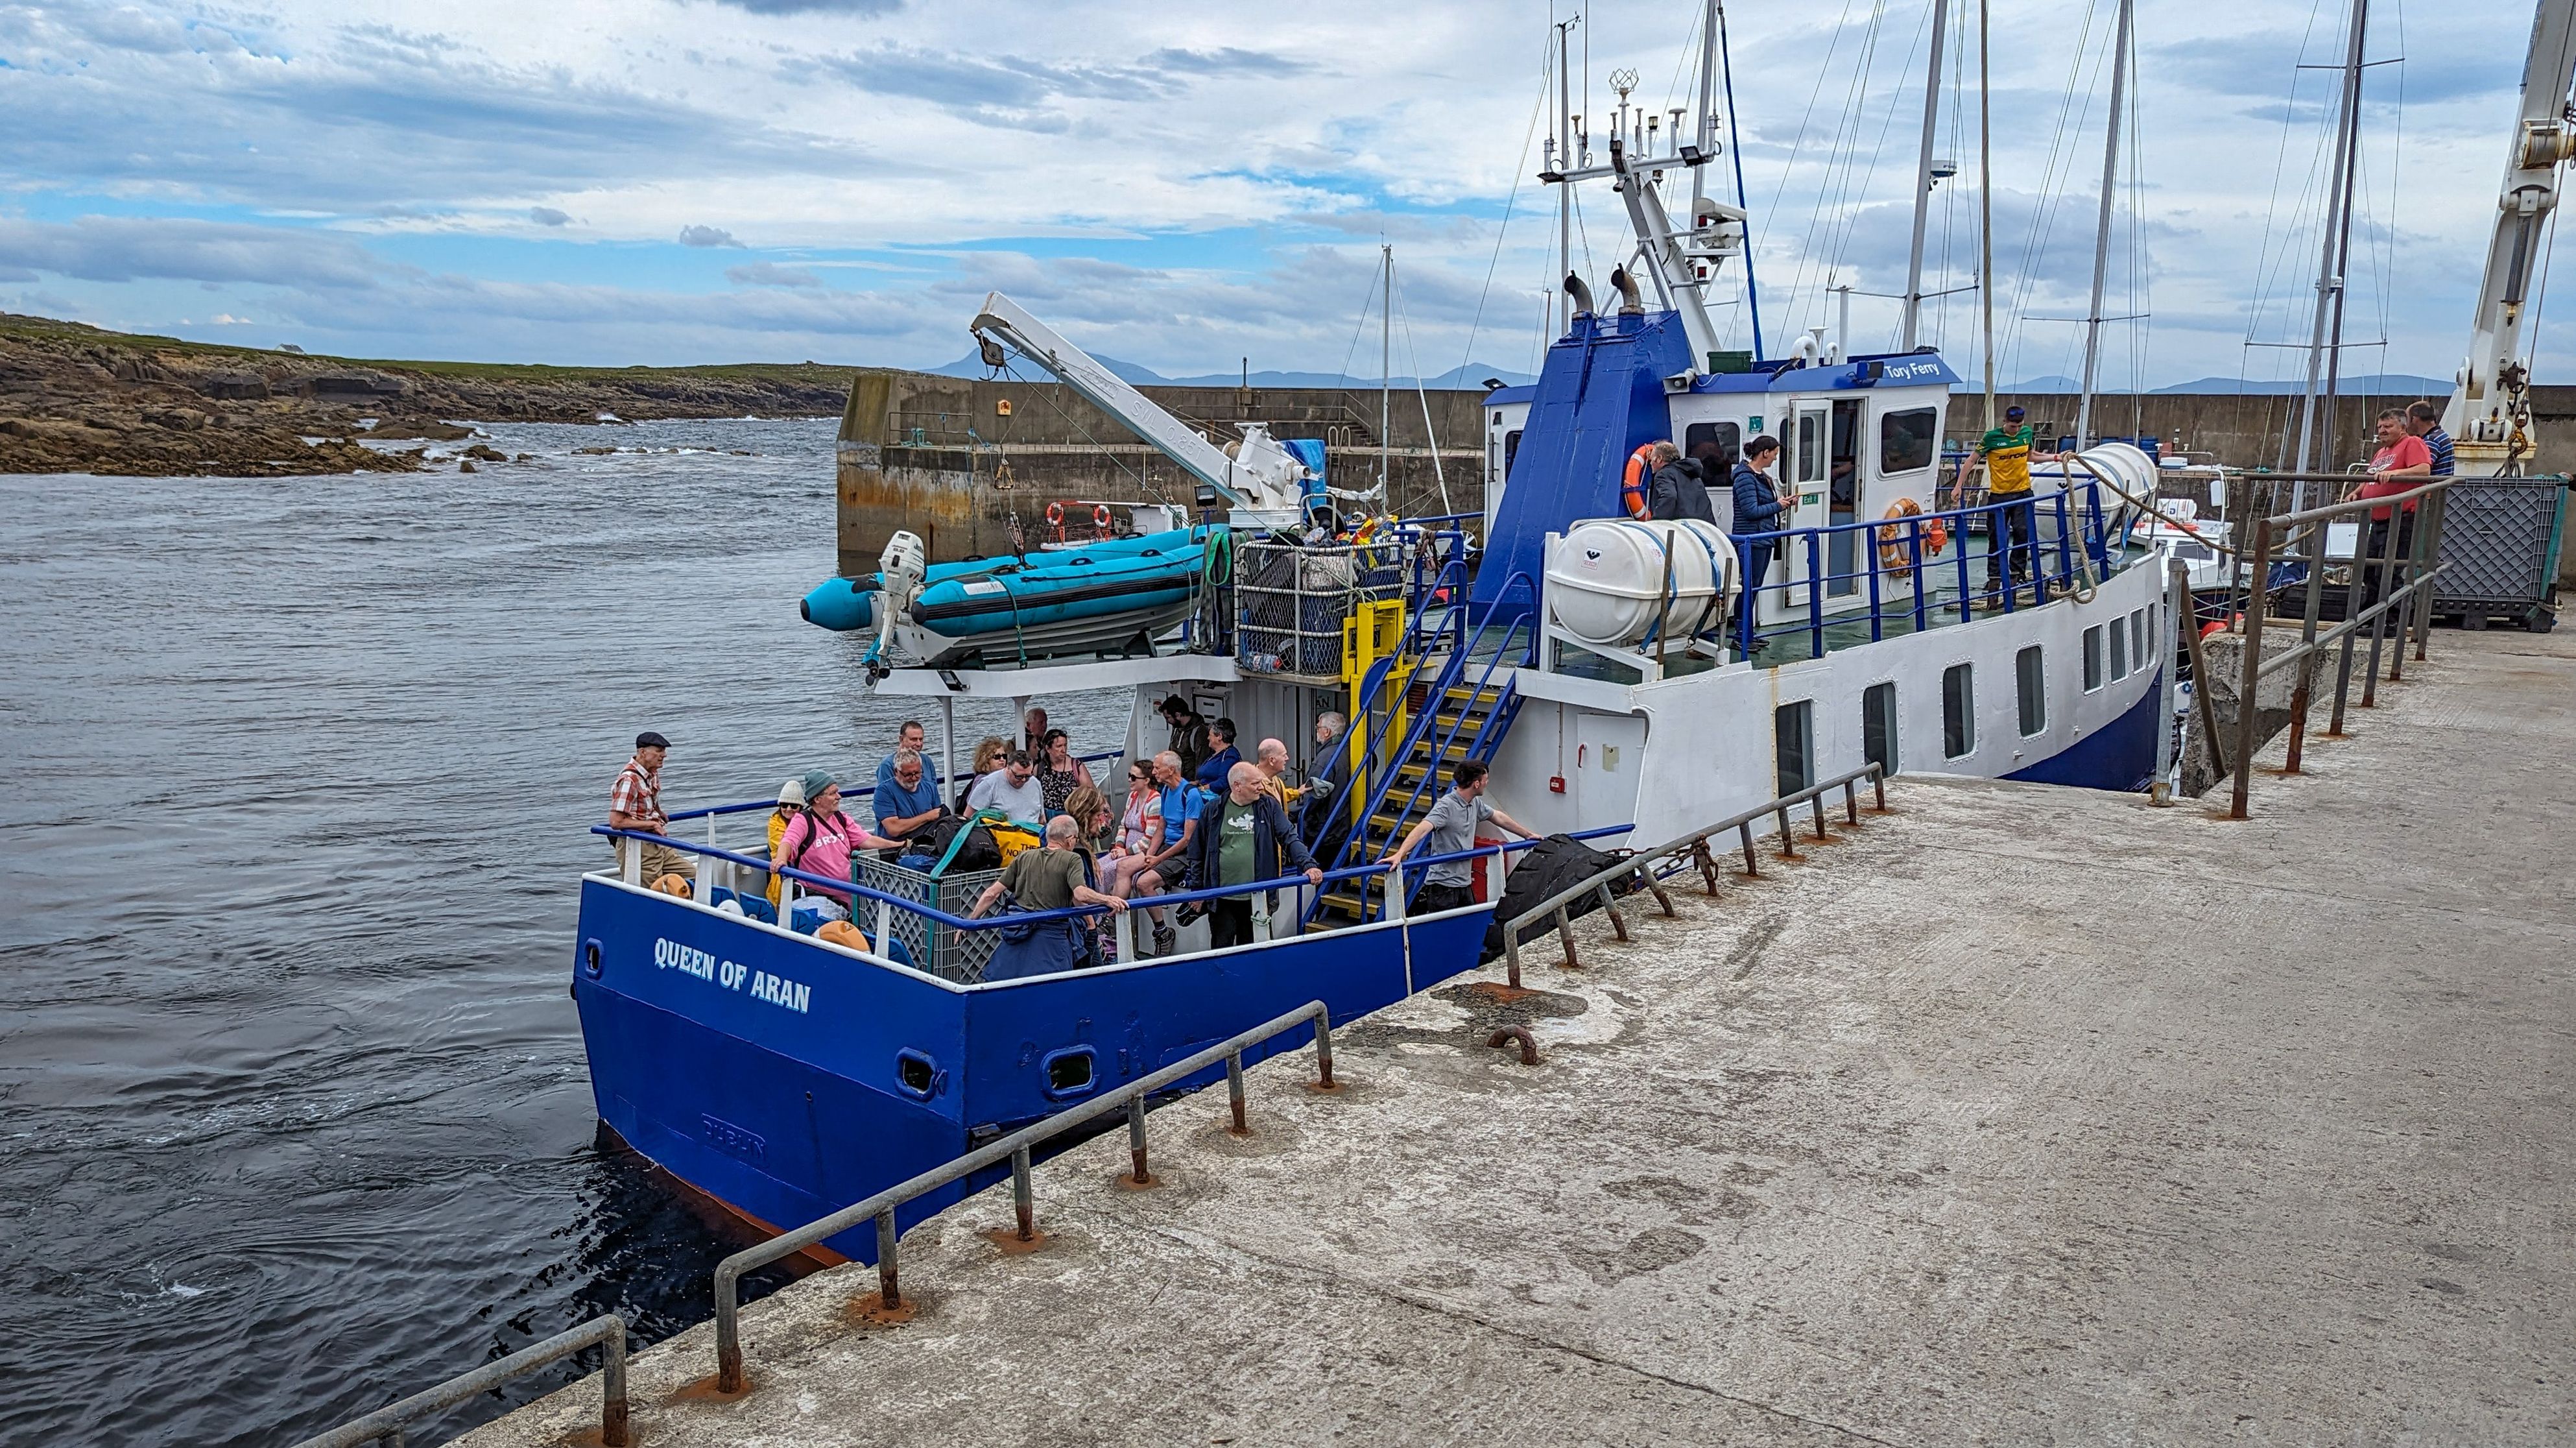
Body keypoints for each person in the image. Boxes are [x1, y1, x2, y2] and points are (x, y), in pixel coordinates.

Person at [1185, 762, 1324, 950]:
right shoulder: (1213, 810)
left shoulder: (1268, 806)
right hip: (1222, 900)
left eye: (1261, 782)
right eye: (1255, 783)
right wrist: (1198, 890)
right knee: (1221, 951)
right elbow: (1197, 852)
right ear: (1237, 786)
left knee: (1255, 952)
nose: (1261, 787)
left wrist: (1308, 864)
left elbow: (1289, 838)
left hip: (1258, 898)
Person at [969, 815, 1126, 980]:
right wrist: (1107, 899)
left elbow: (991, 893)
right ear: (1069, 840)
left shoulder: (1024, 857)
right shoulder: (1072, 859)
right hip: (1052, 947)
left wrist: (970, 922)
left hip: (1014, 944)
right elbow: (1080, 893)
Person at [1383, 759, 1536, 914]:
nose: (1487, 783)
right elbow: (1423, 828)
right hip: (1443, 888)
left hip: (1464, 885)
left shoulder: (1475, 803)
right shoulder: (1446, 806)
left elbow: (1498, 817)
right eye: (1485, 780)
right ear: (1476, 784)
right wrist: (1400, 855)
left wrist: (1528, 835)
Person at [772, 771, 898, 924]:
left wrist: (900, 845)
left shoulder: (841, 818)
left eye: (837, 792)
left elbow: (868, 840)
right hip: (820, 897)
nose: (839, 797)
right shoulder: (803, 821)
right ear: (818, 799)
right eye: (833, 793)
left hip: (854, 895)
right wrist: (781, 859)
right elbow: (788, 842)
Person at [1956, 404, 2057, 596]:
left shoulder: (2027, 434)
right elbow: (1971, 460)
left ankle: (2015, 573)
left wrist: (2056, 458)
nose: (2016, 430)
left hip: (2023, 492)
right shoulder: (1992, 438)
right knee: (1996, 537)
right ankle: (1994, 577)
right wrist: (1959, 486)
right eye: (2012, 427)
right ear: (2005, 422)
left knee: (2022, 532)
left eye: (2019, 426)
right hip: (1999, 495)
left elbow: (2031, 456)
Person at [2350, 408, 2431, 612]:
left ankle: (2392, 619)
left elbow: (2424, 469)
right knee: (2369, 570)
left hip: (2399, 520)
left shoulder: (2412, 443)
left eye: (2388, 426)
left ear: (2403, 427)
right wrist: (2357, 493)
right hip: (2377, 520)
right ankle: (2370, 614)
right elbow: (2372, 476)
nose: (2382, 431)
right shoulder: (2381, 452)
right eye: (2380, 427)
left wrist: (2396, 472)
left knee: (2389, 571)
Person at [1136, 751, 1208, 956]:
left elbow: (1187, 839)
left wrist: (1158, 859)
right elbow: (1161, 827)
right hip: (1166, 847)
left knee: (1144, 883)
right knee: (1131, 867)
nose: (1154, 771)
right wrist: (1150, 854)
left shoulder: (1190, 795)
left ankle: (1163, 933)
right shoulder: (1166, 791)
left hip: (1184, 853)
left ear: (1171, 770)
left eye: (1157, 768)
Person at [608, 730, 694, 883]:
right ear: (643, 752)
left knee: (696, 876)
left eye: (664, 751)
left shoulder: (651, 772)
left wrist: (658, 811)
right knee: (651, 890)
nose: (664, 755)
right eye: (659, 751)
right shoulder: (629, 780)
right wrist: (652, 824)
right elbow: (616, 822)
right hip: (639, 847)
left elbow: (650, 795)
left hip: (658, 843)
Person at [1731, 437, 1787, 651]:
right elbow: (1750, 511)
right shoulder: (1745, 478)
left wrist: (1781, 505)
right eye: (1774, 453)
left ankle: (1748, 633)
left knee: (1754, 587)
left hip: (1762, 538)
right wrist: (1778, 506)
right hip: (1751, 539)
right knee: (1748, 587)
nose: (1774, 458)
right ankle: (1741, 635)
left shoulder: (1762, 477)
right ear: (1764, 453)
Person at [872, 747, 946, 851]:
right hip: (896, 848)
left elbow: (938, 818)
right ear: (896, 772)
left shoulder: (930, 788)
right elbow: (894, 829)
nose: (914, 777)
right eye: (908, 774)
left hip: (925, 844)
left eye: (918, 773)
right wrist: (927, 817)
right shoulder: (884, 791)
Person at [964, 747, 1045, 825]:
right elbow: (969, 818)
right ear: (1008, 768)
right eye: (1019, 776)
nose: (1023, 780)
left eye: (1028, 776)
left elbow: (1041, 818)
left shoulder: (1035, 783)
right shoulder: (988, 784)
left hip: (1033, 834)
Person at [1643, 439, 1715, 522]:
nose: (1651, 463)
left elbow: (1669, 496)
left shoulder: (1663, 474)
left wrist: (1656, 521)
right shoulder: (1693, 474)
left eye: (1652, 459)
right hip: (1704, 527)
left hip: (1682, 528)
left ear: (1659, 458)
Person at [763, 776, 805, 908]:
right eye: (784, 805)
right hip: (783, 873)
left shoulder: (806, 821)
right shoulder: (775, 824)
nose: (788, 809)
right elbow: (786, 846)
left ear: (801, 807)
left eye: (793, 805)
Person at [1034, 728, 1093, 819]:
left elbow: (1091, 792)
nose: (1063, 750)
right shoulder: (1039, 769)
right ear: (1048, 749)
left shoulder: (1076, 766)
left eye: (1065, 745)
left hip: (1072, 818)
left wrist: (1079, 794)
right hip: (1048, 819)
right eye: (1059, 746)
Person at [874, 719, 937, 801]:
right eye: (914, 739)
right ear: (901, 739)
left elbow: (934, 790)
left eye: (921, 739)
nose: (919, 744)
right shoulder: (887, 765)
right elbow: (886, 795)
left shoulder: (927, 761)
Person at [1158, 695, 1210, 774]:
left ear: (1178, 715)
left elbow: (1201, 761)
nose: (1167, 721)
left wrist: (1196, 783)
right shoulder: (1177, 727)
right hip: (1175, 778)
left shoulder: (1199, 732)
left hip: (1189, 780)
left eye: (1168, 718)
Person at [956, 735, 1008, 813]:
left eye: (1004, 756)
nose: (1002, 760)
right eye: (997, 757)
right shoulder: (981, 780)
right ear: (986, 759)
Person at [2407, 398, 2455, 477]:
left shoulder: (2431, 440)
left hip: (2433, 488)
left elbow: (2420, 469)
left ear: (2415, 419)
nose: (2406, 425)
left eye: (2407, 419)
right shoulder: (2440, 435)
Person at [1193, 718, 1243, 788]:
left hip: (1216, 797)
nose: (1208, 738)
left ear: (1219, 736)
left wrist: (1202, 788)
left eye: (1210, 735)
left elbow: (1223, 782)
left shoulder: (1230, 755)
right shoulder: (1214, 754)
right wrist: (1196, 783)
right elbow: (1207, 776)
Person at [1253, 738, 1292, 806]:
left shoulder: (1275, 780)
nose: (1287, 758)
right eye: (1284, 755)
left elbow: (1279, 797)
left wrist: (1298, 792)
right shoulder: (1253, 786)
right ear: (1271, 761)